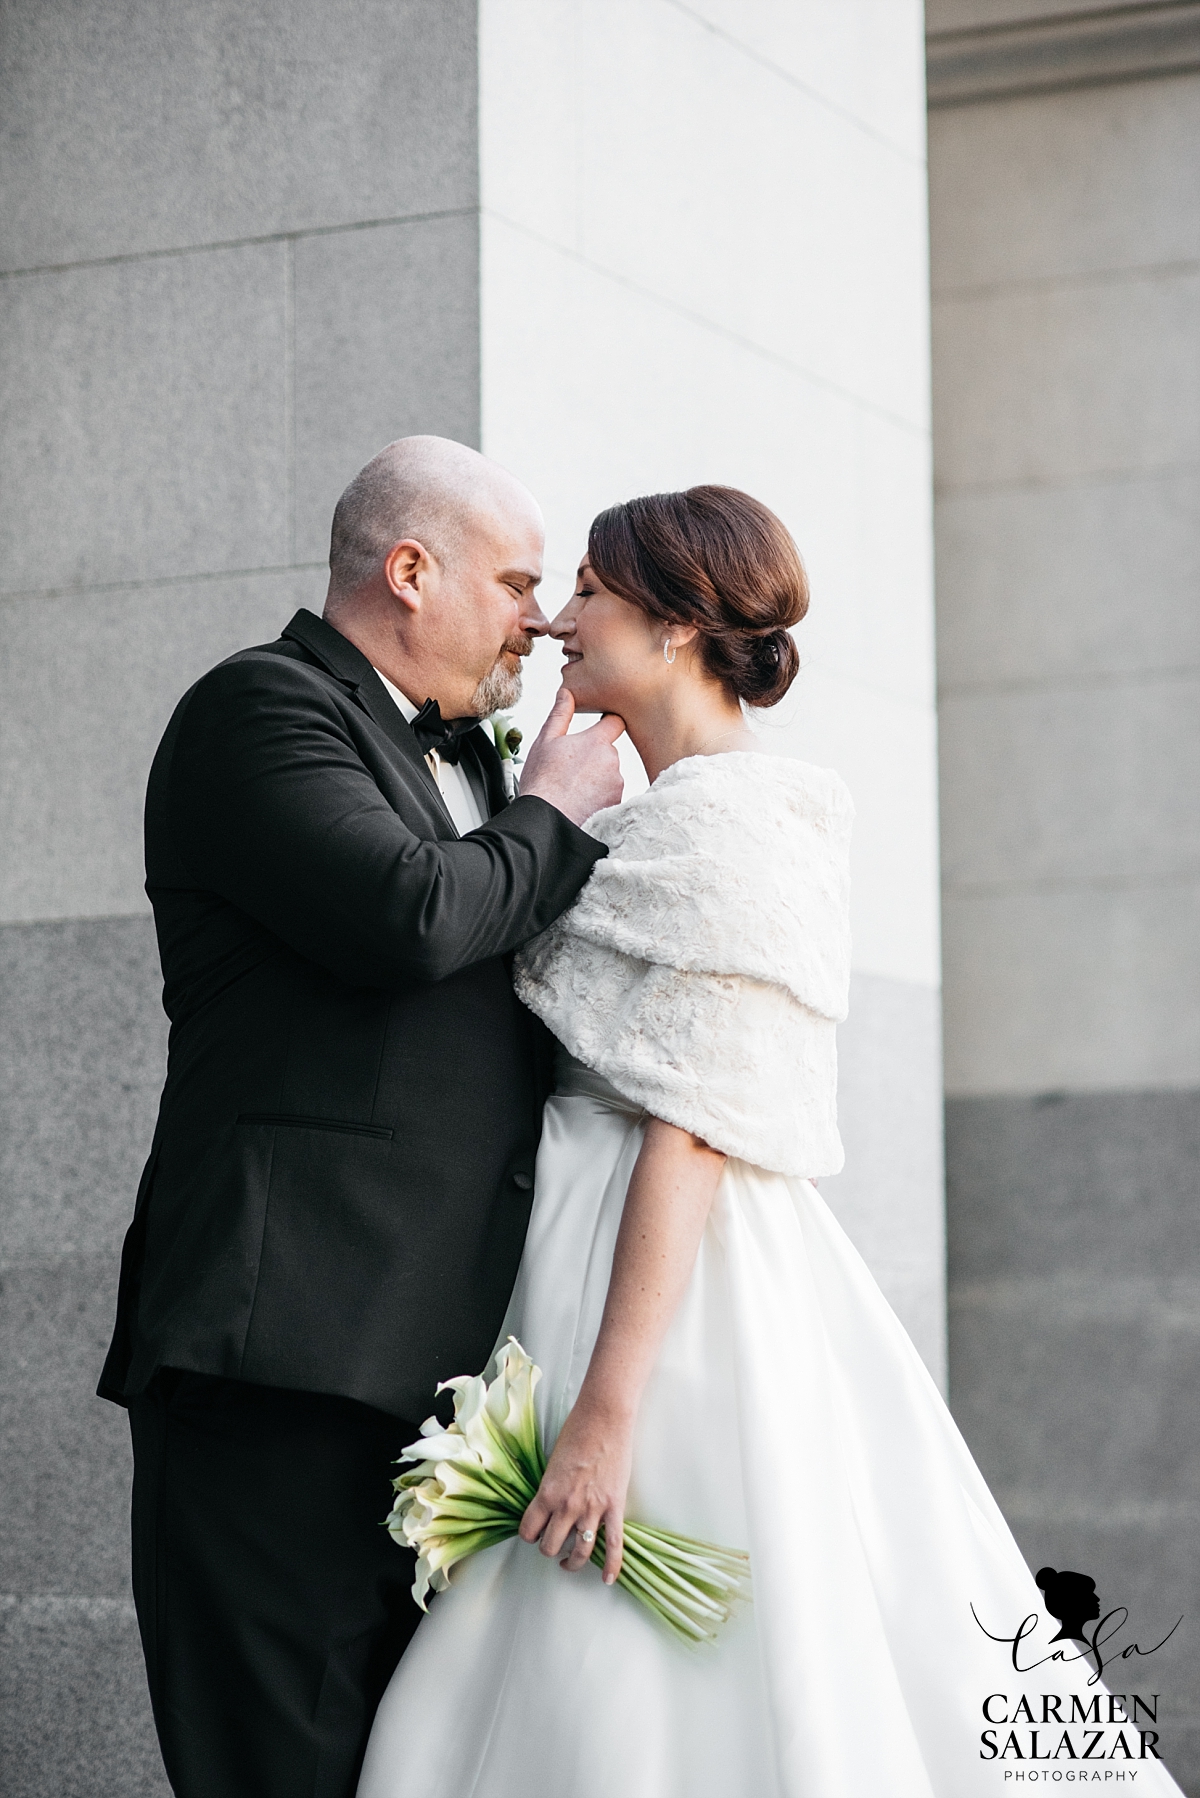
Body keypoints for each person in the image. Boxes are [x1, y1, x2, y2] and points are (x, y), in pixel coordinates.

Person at [357, 486, 1185, 1797]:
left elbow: (692, 1124)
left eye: (590, 592)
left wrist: (609, 1407)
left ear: (677, 623)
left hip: (661, 1283)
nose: (564, 621)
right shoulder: (652, 815)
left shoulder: (731, 825)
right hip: (573, 1251)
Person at [97, 435, 625, 1798]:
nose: (539, 618)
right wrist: (556, 809)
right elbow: (412, 914)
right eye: (516, 581)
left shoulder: (472, 760)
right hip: (282, 1361)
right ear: (409, 569)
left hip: (424, 1378)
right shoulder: (257, 710)